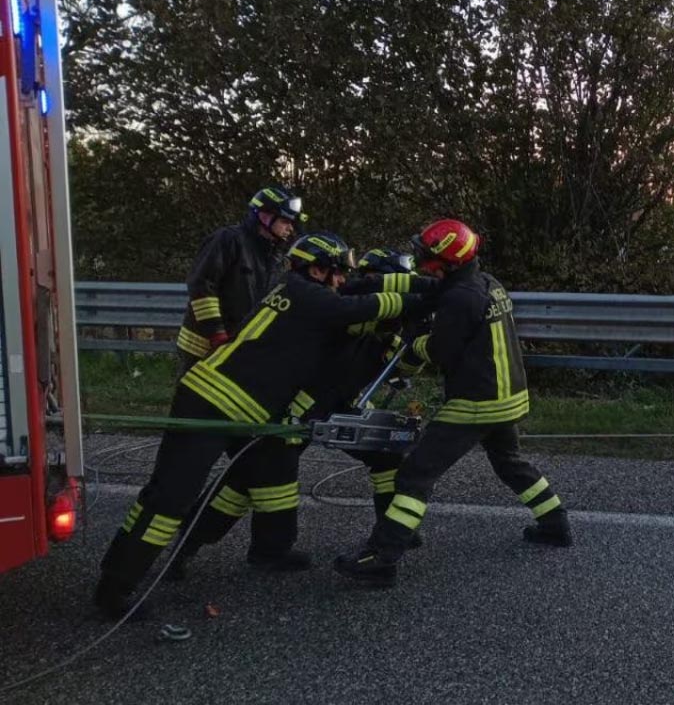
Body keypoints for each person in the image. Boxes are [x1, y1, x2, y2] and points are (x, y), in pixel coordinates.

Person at [94, 233, 432, 618]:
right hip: (212, 403)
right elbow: (366, 302)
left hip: (243, 410)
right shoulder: (311, 298)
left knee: (253, 481)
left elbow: (367, 290)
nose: (343, 281)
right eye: (338, 274)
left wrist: (430, 288)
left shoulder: (308, 291)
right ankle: (115, 589)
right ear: (318, 270)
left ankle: (262, 550)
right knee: (170, 497)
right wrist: (425, 299)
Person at [165, 248, 439, 581]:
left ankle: (393, 531)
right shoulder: (345, 306)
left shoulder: (387, 325)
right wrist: (414, 302)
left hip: (340, 404)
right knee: (247, 482)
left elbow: (401, 368)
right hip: (296, 408)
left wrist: (420, 335)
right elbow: (362, 315)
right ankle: (188, 549)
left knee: (386, 455)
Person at [334, 219, 573, 587]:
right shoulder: (485, 283)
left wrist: (411, 348)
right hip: (509, 397)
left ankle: (382, 556)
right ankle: (555, 523)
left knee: (416, 473)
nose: (422, 261)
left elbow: (442, 350)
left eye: (428, 257)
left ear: (450, 262)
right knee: (510, 462)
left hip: (477, 402)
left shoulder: (460, 298)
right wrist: (366, 284)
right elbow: (425, 287)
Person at [177, 186, 305, 372]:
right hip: (202, 346)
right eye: (286, 221)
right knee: (192, 399)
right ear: (265, 216)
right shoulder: (228, 240)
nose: (290, 228)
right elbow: (201, 286)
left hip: (236, 347)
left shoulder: (275, 257)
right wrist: (216, 332)